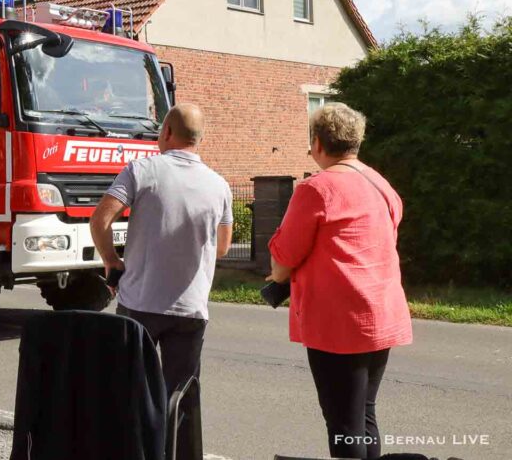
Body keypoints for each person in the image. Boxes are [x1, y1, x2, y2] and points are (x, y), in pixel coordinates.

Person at [267, 103, 412, 460]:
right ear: (357, 141)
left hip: (338, 322)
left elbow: (284, 259)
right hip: (380, 313)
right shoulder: (381, 184)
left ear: (318, 143)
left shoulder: (315, 189)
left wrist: (278, 277)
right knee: (363, 413)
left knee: (343, 426)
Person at [90, 104, 233, 456]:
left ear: (166, 132)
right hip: (190, 310)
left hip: (139, 304)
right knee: (181, 396)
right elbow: (223, 247)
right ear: (200, 139)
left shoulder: (142, 170)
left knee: (130, 390)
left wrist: (111, 260)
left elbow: (101, 219)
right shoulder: (219, 185)